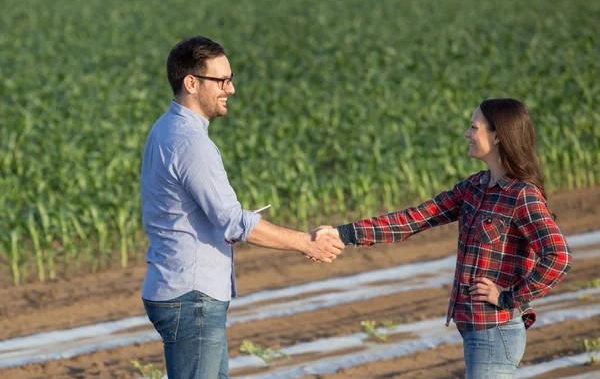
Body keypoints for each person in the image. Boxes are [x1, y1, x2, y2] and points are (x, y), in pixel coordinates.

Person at [139, 36, 345, 379]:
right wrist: (305, 243)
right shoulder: (191, 143)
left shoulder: (166, 128)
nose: (230, 89)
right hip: (192, 297)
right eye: (222, 80)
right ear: (191, 83)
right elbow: (233, 222)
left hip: (180, 290)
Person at [325, 98, 572, 378]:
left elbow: (558, 257)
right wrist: (344, 234)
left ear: (498, 135)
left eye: (473, 127)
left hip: (496, 330)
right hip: (476, 330)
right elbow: (414, 218)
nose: (467, 134)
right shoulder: (474, 187)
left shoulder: (522, 195)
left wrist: (509, 297)